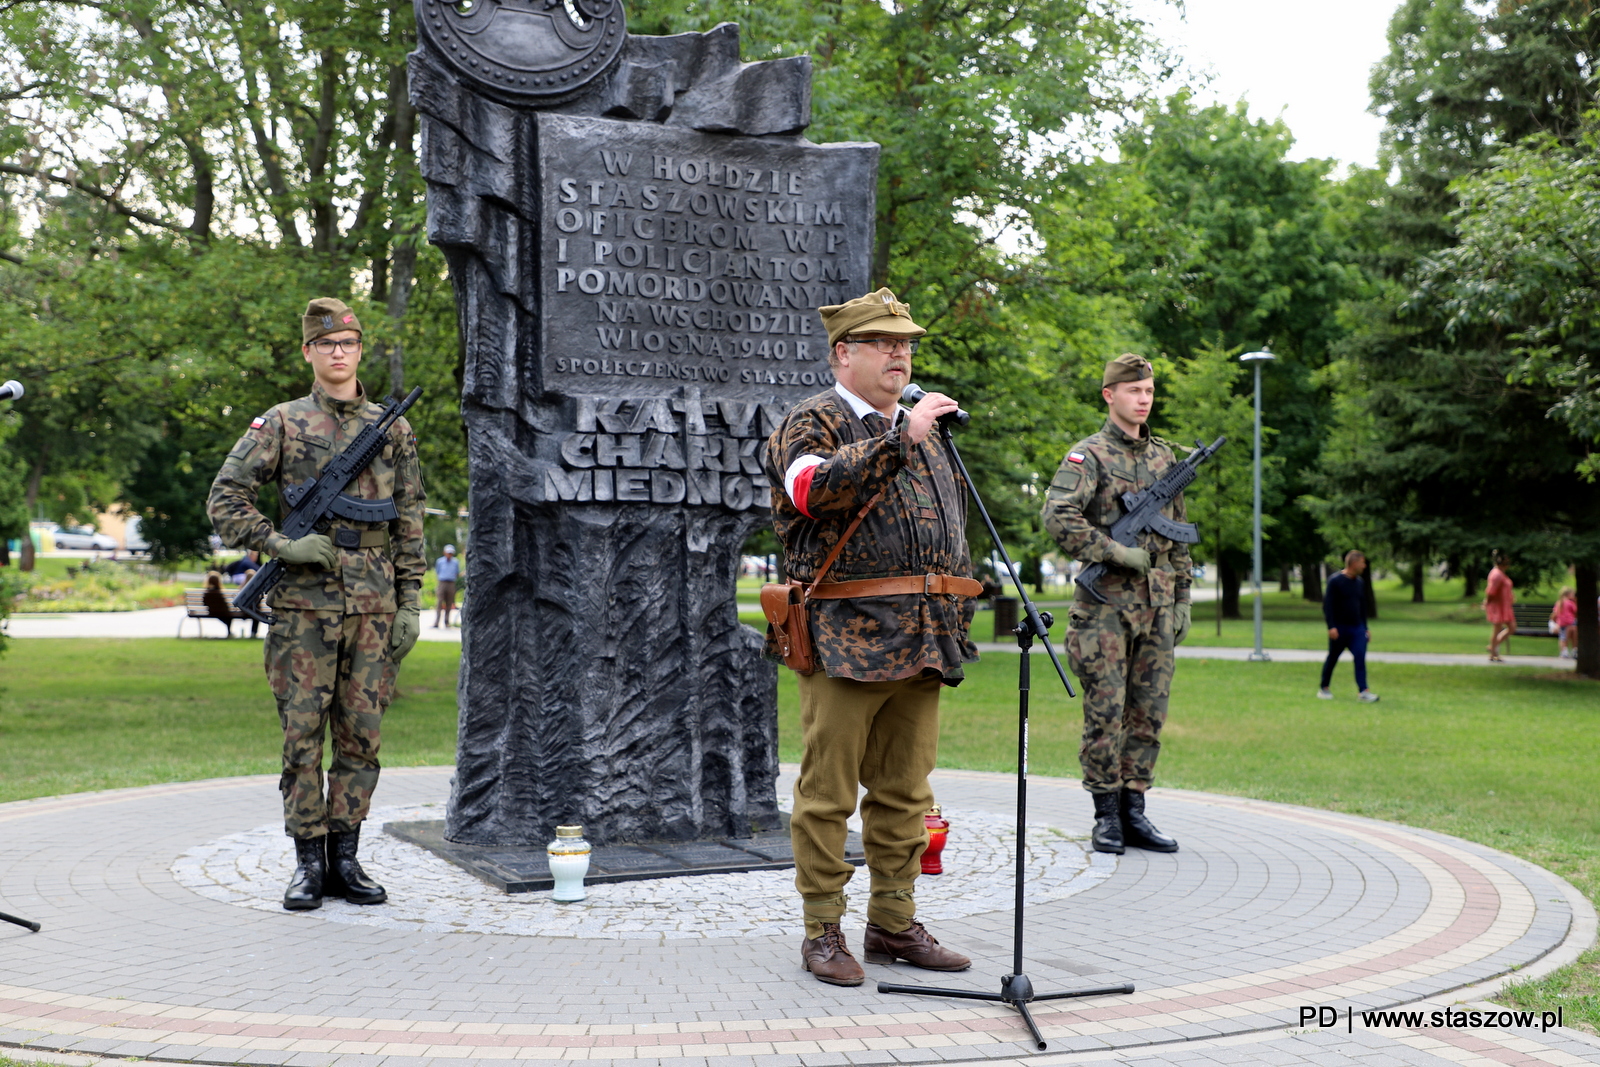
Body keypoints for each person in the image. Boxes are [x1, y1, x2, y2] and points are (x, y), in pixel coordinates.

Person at [763, 287, 981, 987]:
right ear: (843, 353)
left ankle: (892, 921)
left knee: (905, 793)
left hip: (921, 640)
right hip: (843, 641)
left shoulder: (926, 432)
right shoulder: (811, 420)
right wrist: (898, 439)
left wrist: (958, 611)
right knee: (828, 793)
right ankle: (822, 929)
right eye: (884, 342)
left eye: (907, 343)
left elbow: (951, 534)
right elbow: (809, 490)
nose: (900, 353)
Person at [208, 297, 426, 912]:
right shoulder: (280, 423)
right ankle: (307, 864)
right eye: (326, 344)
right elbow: (225, 499)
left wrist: (410, 603)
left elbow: (409, 521)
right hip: (303, 608)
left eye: (348, 343)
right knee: (302, 738)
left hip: (375, 610)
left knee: (361, 739)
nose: (338, 352)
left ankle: (346, 859)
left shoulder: (395, 429)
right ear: (308, 352)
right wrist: (282, 543)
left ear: (360, 351)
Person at [1042, 353, 1192, 857]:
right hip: (1103, 609)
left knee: (1148, 715)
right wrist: (1113, 551)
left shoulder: (1166, 459)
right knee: (1105, 714)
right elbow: (1057, 514)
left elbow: (1179, 541)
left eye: (1149, 390)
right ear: (1110, 395)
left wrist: (1183, 599)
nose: (1143, 399)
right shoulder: (1089, 456)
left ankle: (1135, 810)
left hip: (1157, 606)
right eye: (1133, 391)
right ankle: (1105, 816)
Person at [1318, 550, 1378, 702]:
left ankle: (1363, 691)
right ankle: (1324, 688)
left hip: (1357, 628)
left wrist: (1365, 627)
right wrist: (1331, 626)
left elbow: (1362, 606)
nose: (1364, 566)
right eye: (1362, 563)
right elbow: (1328, 606)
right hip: (1339, 628)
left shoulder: (1359, 583)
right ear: (1354, 563)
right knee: (1333, 658)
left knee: (1360, 656)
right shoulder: (1335, 581)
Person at [1482, 552, 1515, 662]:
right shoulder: (1496, 574)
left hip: (1504, 605)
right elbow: (1491, 591)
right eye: (1507, 562)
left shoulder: (1501, 573)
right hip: (1498, 606)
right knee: (1497, 629)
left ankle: (1493, 647)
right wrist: (1487, 602)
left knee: (1511, 627)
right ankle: (1493, 653)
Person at [202, 570, 241, 639]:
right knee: (229, 618)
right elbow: (224, 604)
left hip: (212, 612)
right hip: (223, 612)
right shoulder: (219, 592)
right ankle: (229, 632)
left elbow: (204, 602)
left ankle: (229, 632)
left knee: (227, 617)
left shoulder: (207, 592)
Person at [433, 544, 460, 628]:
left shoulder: (455, 562)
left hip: (451, 583)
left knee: (449, 603)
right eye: (448, 553)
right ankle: (436, 622)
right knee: (439, 602)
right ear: (444, 553)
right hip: (442, 582)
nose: (449, 555)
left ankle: (447, 622)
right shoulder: (440, 561)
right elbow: (437, 571)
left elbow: (457, 573)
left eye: (451, 553)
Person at [1551, 587, 1578, 659]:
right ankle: (1575, 651)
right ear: (1568, 594)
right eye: (1572, 594)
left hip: (1562, 623)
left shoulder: (1559, 602)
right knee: (1574, 636)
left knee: (1563, 637)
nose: (1574, 595)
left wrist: (1556, 623)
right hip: (1571, 623)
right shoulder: (1571, 603)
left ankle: (1564, 652)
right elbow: (1576, 611)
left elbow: (1555, 614)